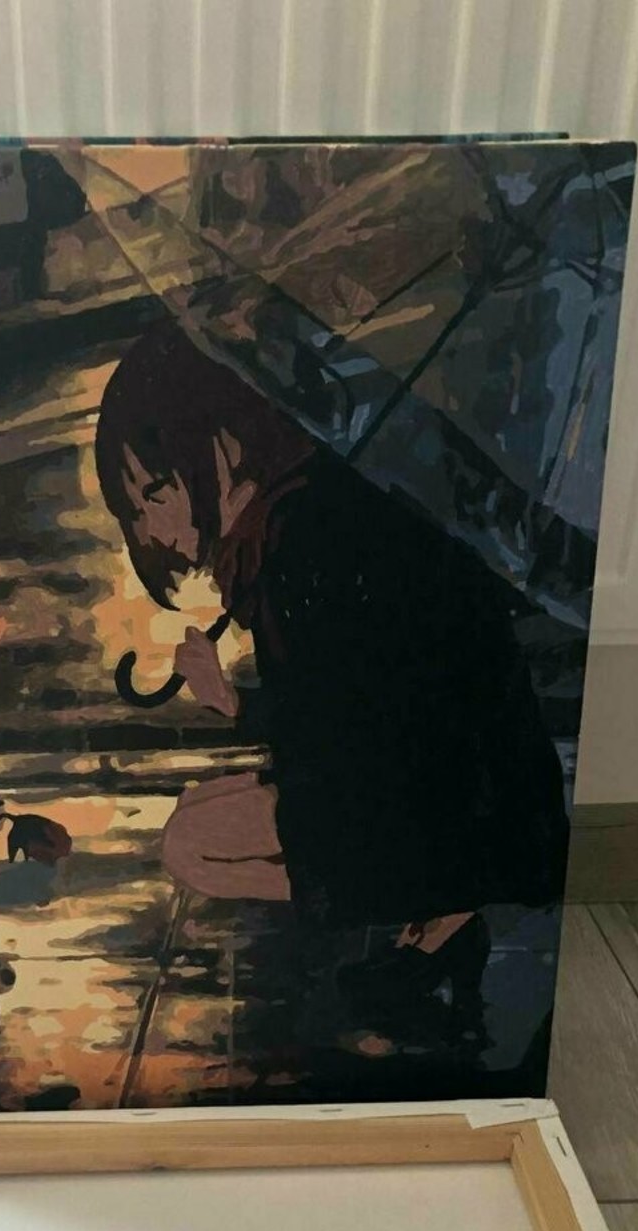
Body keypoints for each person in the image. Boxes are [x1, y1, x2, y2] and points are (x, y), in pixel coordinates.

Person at [95, 323, 570, 1056]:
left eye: (155, 493)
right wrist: (237, 702)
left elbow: (334, 743)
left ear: (217, 445)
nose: (153, 528)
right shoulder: (306, 508)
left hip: (458, 805)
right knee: (198, 810)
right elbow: (342, 702)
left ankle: (439, 902)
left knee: (190, 846)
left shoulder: (292, 546)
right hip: (469, 780)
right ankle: (437, 915)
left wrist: (242, 709)